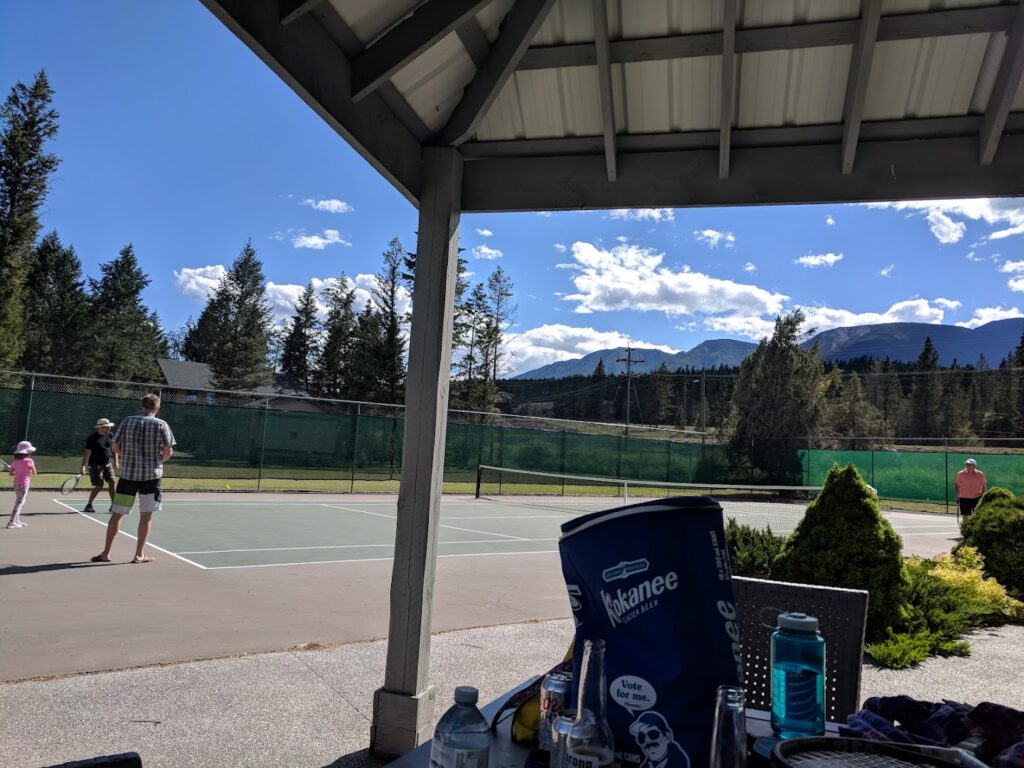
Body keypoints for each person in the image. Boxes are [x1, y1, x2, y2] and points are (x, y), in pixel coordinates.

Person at [91, 394, 175, 563]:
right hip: (151, 478)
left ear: (141, 406)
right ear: (157, 408)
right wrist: (158, 460)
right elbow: (168, 450)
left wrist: (128, 456)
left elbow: (115, 446)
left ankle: (106, 553)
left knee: (117, 514)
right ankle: (138, 555)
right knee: (146, 516)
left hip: (128, 477)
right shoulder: (161, 424)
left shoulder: (127, 421)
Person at [81, 418, 118, 513]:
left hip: (107, 464)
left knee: (112, 481)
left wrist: (116, 461)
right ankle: (89, 505)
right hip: (95, 465)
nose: (109, 428)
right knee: (99, 486)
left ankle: (114, 505)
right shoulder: (91, 438)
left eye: (109, 427)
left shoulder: (110, 435)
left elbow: (114, 449)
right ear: (101, 427)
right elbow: (87, 453)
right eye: (107, 427)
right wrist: (84, 466)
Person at [6, 441, 37, 529]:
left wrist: (16, 471)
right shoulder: (30, 461)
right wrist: (26, 471)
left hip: (16, 484)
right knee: (19, 503)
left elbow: (11, 474)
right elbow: (34, 472)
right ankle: (11, 522)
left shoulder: (14, 461)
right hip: (24, 484)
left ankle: (16, 520)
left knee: (19, 501)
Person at [954, 458, 986, 524]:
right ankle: (965, 528)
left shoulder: (980, 474)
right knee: (965, 515)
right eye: (967, 464)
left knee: (977, 515)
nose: (968, 466)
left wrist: (982, 493)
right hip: (964, 498)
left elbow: (983, 485)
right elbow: (956, 484)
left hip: (976, 498)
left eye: (970, 464)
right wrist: (957, 494)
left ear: (974, 466)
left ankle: (976, 528)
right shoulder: (961, 474)